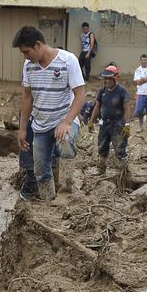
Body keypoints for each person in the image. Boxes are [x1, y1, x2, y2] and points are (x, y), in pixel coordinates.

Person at [14, 26, 86, 201]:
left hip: (63, 120)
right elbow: (27, 98)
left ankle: (65, 195)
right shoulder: (28, 66)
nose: (25, 56)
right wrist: (23, 129)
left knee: (66, 143)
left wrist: (67, 121)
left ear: (38, 45)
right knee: (40, 170)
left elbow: (81, 95)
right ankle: (48, 202)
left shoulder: (68, 60)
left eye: (26, 51)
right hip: (40, 125)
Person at [86, 65, 130, 176]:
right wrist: (91, 121)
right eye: (105, 78)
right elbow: (97, 106)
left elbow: (127, 108)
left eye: (110, 78)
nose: (107, 81)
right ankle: (101, 170)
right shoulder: (102, 91)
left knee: (120, 148)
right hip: (104, 123)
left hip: (118, 124)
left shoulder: (122, 91)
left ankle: (124, 173)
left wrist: (128, 124)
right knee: (102, 146)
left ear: (116, 78)